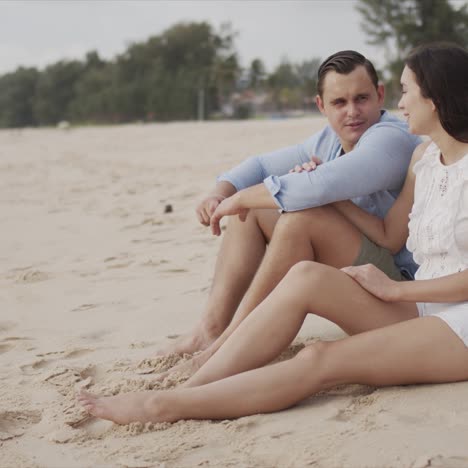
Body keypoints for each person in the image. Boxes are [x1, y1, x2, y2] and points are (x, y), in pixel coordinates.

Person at [79, 42, 468, 424]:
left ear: (433, 98)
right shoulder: (425, 159)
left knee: (318, 357)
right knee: (303, 275)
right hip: (420, 303)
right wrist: (321, 201)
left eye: (404, 92)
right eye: (339, 102)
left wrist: (395, 289)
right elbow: (387, 235)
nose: (399, 106)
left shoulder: (394, 140)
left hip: (454, 320)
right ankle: (195, 379)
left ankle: (166, 407)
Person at [153, 50, 421, 378]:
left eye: (362, 98)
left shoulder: (390, 139)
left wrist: (242, 198)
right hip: (367, 265)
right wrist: (221, 192)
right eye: (339, 102)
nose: (352, 112)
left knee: (300, 217)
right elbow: (263, 165)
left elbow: (323, 184)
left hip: (402, 289)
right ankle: (210, 329)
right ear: (321, 105)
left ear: (380, 95)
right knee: (251, 212)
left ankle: (227, 346)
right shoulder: (329, 139)